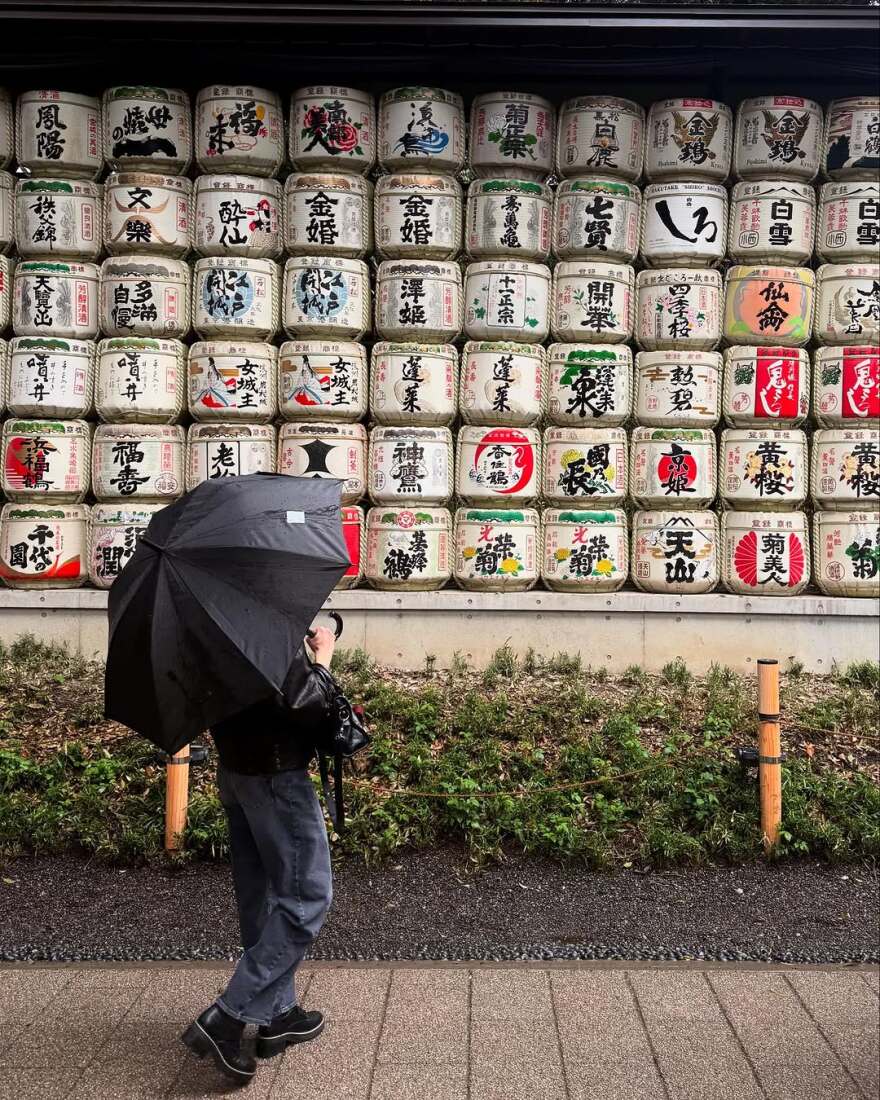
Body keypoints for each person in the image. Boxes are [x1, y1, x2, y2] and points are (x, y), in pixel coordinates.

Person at [181, 625, 338, 1085]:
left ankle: (278, 1013)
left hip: (236, 771)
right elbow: (306, 704)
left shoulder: (202, 622)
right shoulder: (262, 620)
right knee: (307, 897)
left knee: (263, 896)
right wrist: (324, 658)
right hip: (276, 776)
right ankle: (226, 1018)